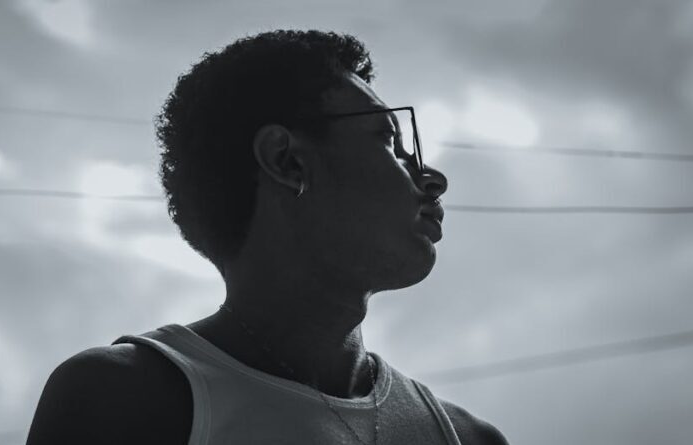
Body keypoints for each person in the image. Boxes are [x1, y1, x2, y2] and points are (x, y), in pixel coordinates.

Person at [27, 30, 509, 445]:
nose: (432, 178)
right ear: (287, 160)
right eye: (389, 141)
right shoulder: (125, 400)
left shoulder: (467, 437)